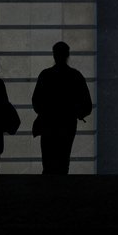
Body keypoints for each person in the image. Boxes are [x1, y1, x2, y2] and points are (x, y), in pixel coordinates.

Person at [32, 42, 92, 174]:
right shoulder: (75, 76)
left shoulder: (46, 75)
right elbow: (87, 105)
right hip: (67, 123)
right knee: (63, 160)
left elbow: (36, 102)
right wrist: (78, 113)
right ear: (67, 55)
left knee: (48, 161)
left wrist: (46, 112)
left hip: (48, 123)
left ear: (54, 55)